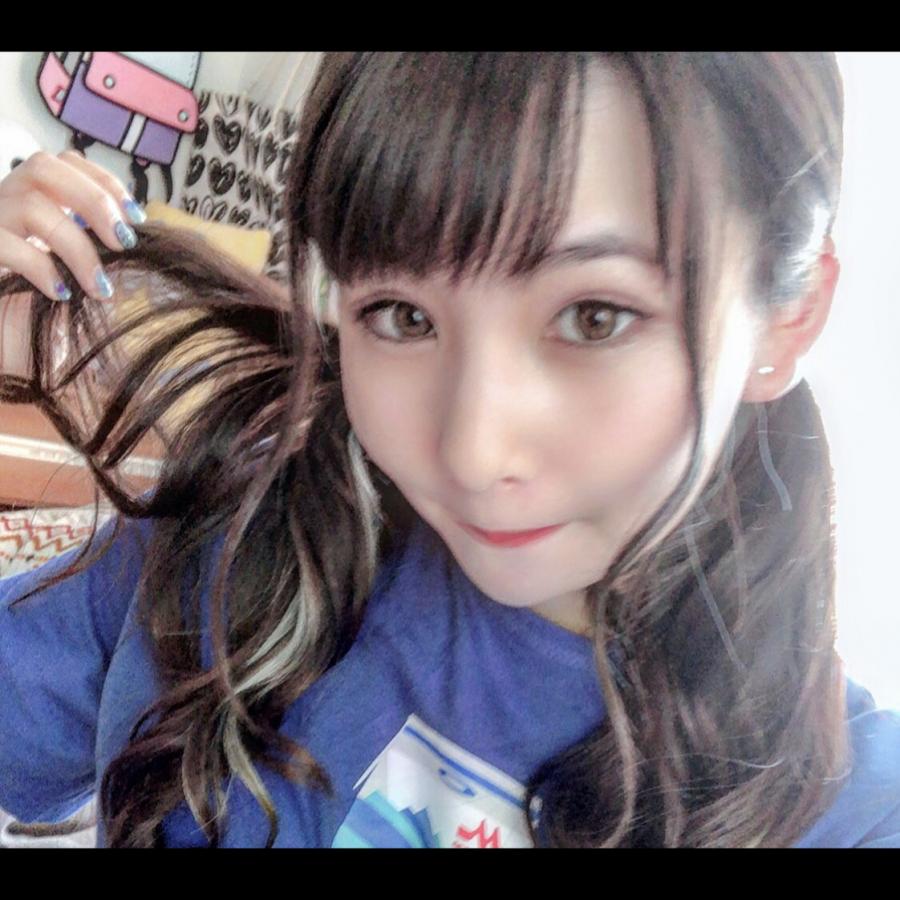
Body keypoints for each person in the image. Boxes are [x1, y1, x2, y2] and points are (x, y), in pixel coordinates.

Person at [0, 52, 898, 849]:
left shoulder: (851, 812)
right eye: (402, 316)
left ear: (787, 319)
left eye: (595, 318)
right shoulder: (235, 539)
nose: (471, 452)